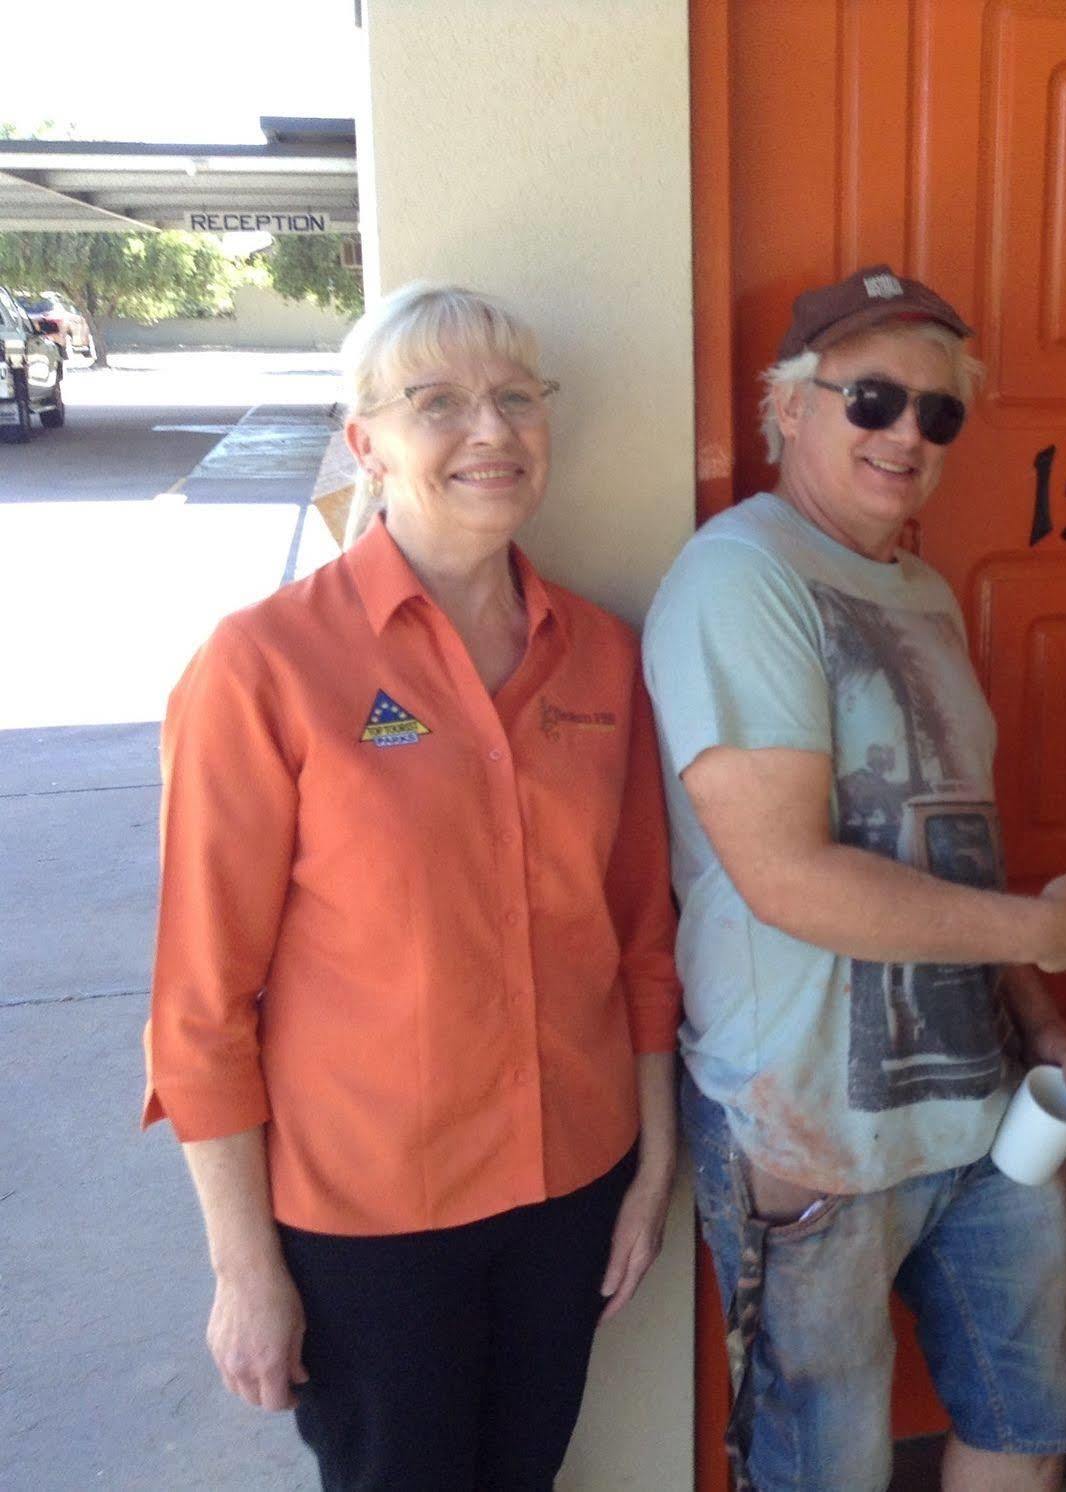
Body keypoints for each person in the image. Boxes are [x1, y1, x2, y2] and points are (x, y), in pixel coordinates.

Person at [142, 282, 682, 1490]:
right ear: (366, 442)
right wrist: (244, 1268)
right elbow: (199, 1000)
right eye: (437, 403)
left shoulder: (602, 655)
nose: (490, 432)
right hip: (367, 1220)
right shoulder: (262, 665)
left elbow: (642, 936)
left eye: (515, 400)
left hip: (570, 1184)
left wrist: (652, 1165)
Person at [643, 264, 1066, 1492]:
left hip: (983, 1106)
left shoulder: (921, 593)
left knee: (1030, 1417)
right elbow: (787, 878)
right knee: (823, 1471)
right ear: (788, 408)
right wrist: (1045, 930)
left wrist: (1039, 1009)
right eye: (871, 399)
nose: (906, 432)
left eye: (937, 411)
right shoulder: (738, 576)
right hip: (809, 1127)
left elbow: (952, 835)